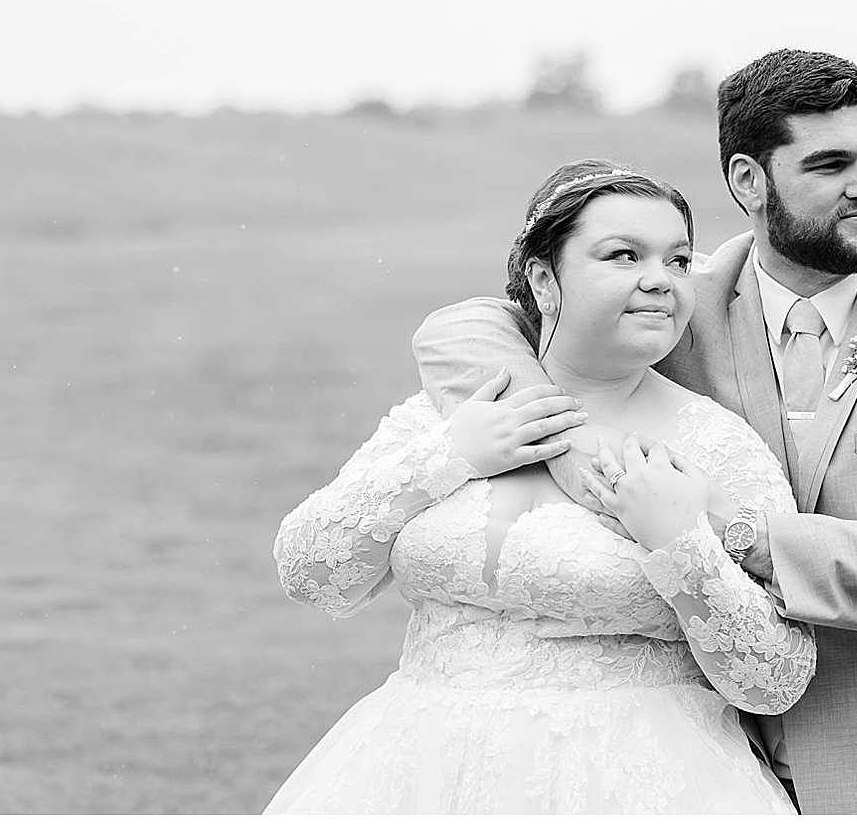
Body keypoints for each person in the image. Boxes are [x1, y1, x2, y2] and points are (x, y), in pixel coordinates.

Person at [413, 49, 857, 814]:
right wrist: (575, 446)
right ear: (749, 180)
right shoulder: (678, 301)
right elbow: (471, 326)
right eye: (830, 164)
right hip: (713, 758)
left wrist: (727, 527)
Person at [265, 161, 814, 814]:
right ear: (543, 279)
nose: (658, 281)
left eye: (677, 260)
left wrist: (681, 543)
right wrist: (451, 454)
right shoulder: (456, 409)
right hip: (421, 774)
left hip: (639, 781)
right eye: (623, 256)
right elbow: (311, 573)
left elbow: (777, 677)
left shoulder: (717, 445)